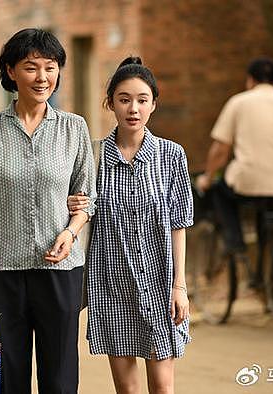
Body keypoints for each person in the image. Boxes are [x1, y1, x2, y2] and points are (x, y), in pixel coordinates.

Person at [0, 28, 96, 394]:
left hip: (60, 270)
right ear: (10, 71)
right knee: (6, 377)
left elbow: (86, 199)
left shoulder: (74, 128)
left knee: (61, 376)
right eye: (31, 67)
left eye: (50, 67)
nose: (42, 77)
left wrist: (70, 232)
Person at [68, 57, 193, 394]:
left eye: (142, 99)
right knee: (127, 390)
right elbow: (79, 210)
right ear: (110, 103)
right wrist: (72, 205)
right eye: (124, 99)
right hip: (110, 285)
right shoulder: (92, 156)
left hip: (159, 283)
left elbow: (179, 223)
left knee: (162, 389)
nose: (133, 108)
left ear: (154, 104)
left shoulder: (171, 155)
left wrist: (179, 286)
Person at [195, 57, 273, 286]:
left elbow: (221, 150)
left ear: (250, 80)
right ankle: (268, 281)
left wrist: (207, 176)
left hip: (249, 180)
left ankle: (234, 242)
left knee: (219, 193)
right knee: (268, 224)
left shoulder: (239, 102)